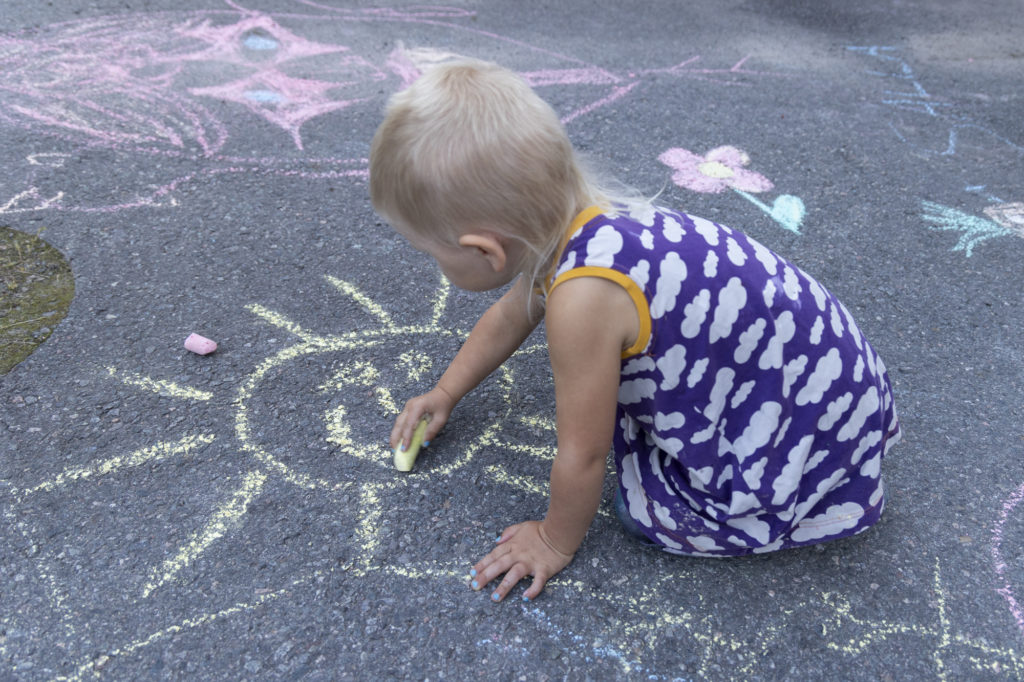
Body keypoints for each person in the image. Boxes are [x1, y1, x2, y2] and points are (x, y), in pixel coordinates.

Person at [369, 57, 900, 603]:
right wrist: (445, 391)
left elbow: (584, 454)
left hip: (808, 433)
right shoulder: (584, 216)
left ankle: (785, 499)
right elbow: (511, 313)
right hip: (832, 384)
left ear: (485, 250)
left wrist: (554, 540)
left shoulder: (582, 300)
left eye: (430, 253)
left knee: (641, 509)